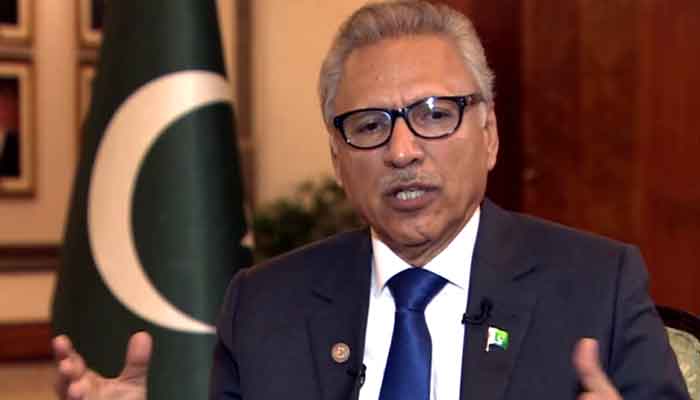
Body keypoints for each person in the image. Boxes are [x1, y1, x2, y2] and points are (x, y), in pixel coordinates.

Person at [53, 1, 690, 399]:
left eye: (435, 114)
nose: (402, 150)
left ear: (489, 134)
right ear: (338, 158)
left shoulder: (596, 287)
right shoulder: (264, 305)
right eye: (369, 125)